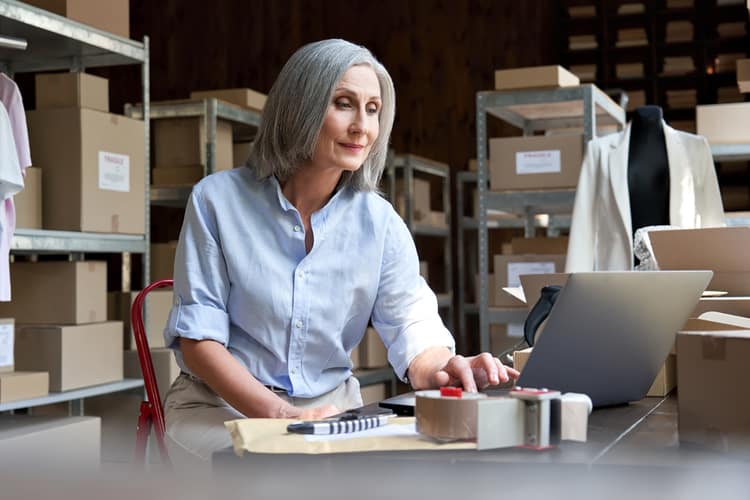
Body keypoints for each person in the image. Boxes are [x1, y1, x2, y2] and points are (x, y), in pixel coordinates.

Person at [162, 38, 519, 462]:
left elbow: (410, 320)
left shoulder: (380, 223)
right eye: (344, 103)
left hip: (333, 410)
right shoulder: (217, 201)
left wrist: (444, 368)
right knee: (270, 477)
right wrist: (284, 416)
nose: (363, 128)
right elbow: (199, 345)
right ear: (300, 106)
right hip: (218, 408)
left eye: (373, 109)